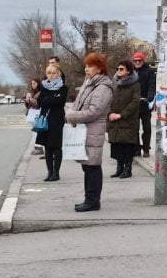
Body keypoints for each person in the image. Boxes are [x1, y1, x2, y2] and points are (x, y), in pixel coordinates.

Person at [65, 52, 114, 212]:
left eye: (90, 66)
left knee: (93, 166)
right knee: (87, 166)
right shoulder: (89, 83)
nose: (86, 69)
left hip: (93, 130)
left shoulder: (103, 87)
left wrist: (72, 116)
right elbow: (77, 103)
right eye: (86, 66)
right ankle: (89, 199)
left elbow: (94, 111)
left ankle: (93, 201)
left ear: (99, 69)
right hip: (84, 130)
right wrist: (71, 112)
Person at [107, 60, 140, 179]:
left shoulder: (134, 85)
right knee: (117, 145)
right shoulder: (115, 84)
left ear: (128, 71)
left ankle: (128, 168)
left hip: (127, 120)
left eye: (121, 69)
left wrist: (122, 114)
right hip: (114, 119)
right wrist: (110, 113)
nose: (118, 71)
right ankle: (119, 167)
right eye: (117, 69)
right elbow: (109, 99)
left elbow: (135, 102)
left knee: (127, 145)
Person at [36, 64, 68, 182]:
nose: (51, 75)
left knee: (56, 146)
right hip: (45, 119)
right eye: (49, 73)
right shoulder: (43, 86)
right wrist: (51, 100)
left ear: (58, 73)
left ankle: (56, 172)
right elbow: (40, 103)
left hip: (57, 119)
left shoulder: (63, 87)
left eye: (54, 73)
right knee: (47, 147)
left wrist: (48, 100)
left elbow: (60, 102)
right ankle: (49, 171)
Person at [131, 52, 155, 157]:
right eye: (135, 60)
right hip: (134, 104)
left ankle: (146, 149)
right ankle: (136, 149)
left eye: (139, 60)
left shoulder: (149, 72)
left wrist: (149, 97)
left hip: (145, 103)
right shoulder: (131, 72)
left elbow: (152, 86)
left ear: (143, 61)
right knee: (134, 128)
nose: (137, 62)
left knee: (147, 128)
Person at [25, 78, 44, 156]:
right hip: (33, 113)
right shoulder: (33, 93)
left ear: (38, 84)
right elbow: (28, 106)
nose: (33, 85)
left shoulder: (41, 92)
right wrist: (27, 100)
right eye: (32, 83)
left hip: (38, 113)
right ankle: (37, 147)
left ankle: (39, 148)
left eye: (34, 83)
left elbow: (38, 103)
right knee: (34, 131)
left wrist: (30, 99)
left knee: (37, 130)